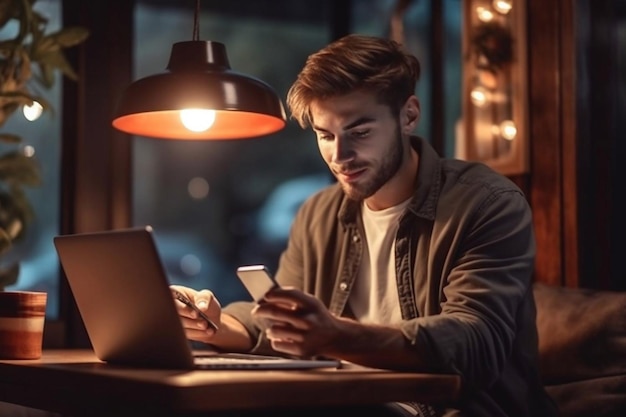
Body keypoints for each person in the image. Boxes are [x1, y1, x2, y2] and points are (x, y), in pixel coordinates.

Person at [171, 34, 559, 417]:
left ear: (408, 115)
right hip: (347, 399)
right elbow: (277, 327)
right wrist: (215, 324)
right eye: (325, 135)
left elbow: (474, 344)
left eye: (359, 132)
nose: (340, 156)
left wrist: (336, 336)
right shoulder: (318, 212)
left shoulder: (488, 204)